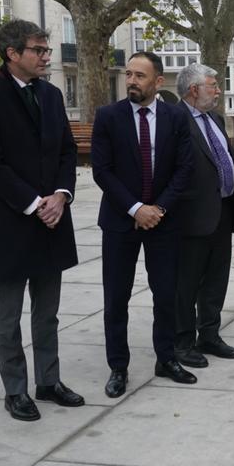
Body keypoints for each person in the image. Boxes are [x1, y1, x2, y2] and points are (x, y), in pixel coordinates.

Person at [0, 19, 83, 421]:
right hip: (12, 221)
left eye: (47, 50)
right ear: (12, 54)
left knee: (47, 311)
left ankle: (48, 381)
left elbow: (67, 151)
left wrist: (62, 196)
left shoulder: (50, 95)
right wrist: (35, 203)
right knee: (8, 314)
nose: (47, 56)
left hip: (53, 219)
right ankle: (15, 390)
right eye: (39, 50)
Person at [91, 51, 196, 398]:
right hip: (120, 222)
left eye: (140, 76)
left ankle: (166, 358)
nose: (132, 81)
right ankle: (117, 367)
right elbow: (102, 171)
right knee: (116, 297)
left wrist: (158, 209)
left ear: (158, 82)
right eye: (129, 75)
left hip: (164, 223)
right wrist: (136, 208)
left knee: (166, 294)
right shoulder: (109, 116)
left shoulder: (177, 117)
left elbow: (185, 169)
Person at [172, 63, 234, 369]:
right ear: (194, 89)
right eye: (213, 86)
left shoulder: (213, 117)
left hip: (221, 211)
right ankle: (183, 342)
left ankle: (210, 334)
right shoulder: (174, 119)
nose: (217, 91)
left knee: (216, 278)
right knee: (187, 283)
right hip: (191, 215)